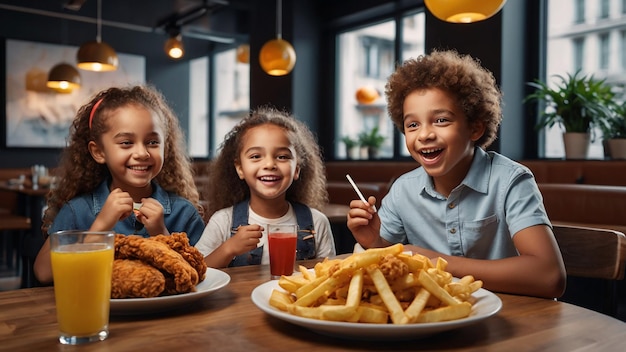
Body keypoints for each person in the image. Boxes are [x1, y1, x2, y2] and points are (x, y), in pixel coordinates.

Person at [347, 50, 566, 299]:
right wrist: (374, 241)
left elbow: (549, 276)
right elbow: (388, 258)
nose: (424, 135)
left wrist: (435, 261)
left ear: (474, 128)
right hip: (438, 319)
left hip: (512, 319)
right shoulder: (403, 189)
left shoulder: (511, 181)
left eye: (441, 120)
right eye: (412, 125)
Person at [33, 85, 206, 284]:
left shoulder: (183, 213)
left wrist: (161, 235)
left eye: (152, 142)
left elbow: (200, 272)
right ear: (99, 152)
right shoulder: (77, 212)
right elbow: (43, 272)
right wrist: (100, 226)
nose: (142, 153)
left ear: (165, 147)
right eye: (126, 143)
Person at [195, 106, 336, 268]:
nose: (269, 164)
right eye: (256, 156)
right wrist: (228, 249)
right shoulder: (223, 221)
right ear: (240, 168)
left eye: (282, 156)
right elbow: (197, 271)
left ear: (296, 169)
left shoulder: (317, 222)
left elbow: (328, 274)